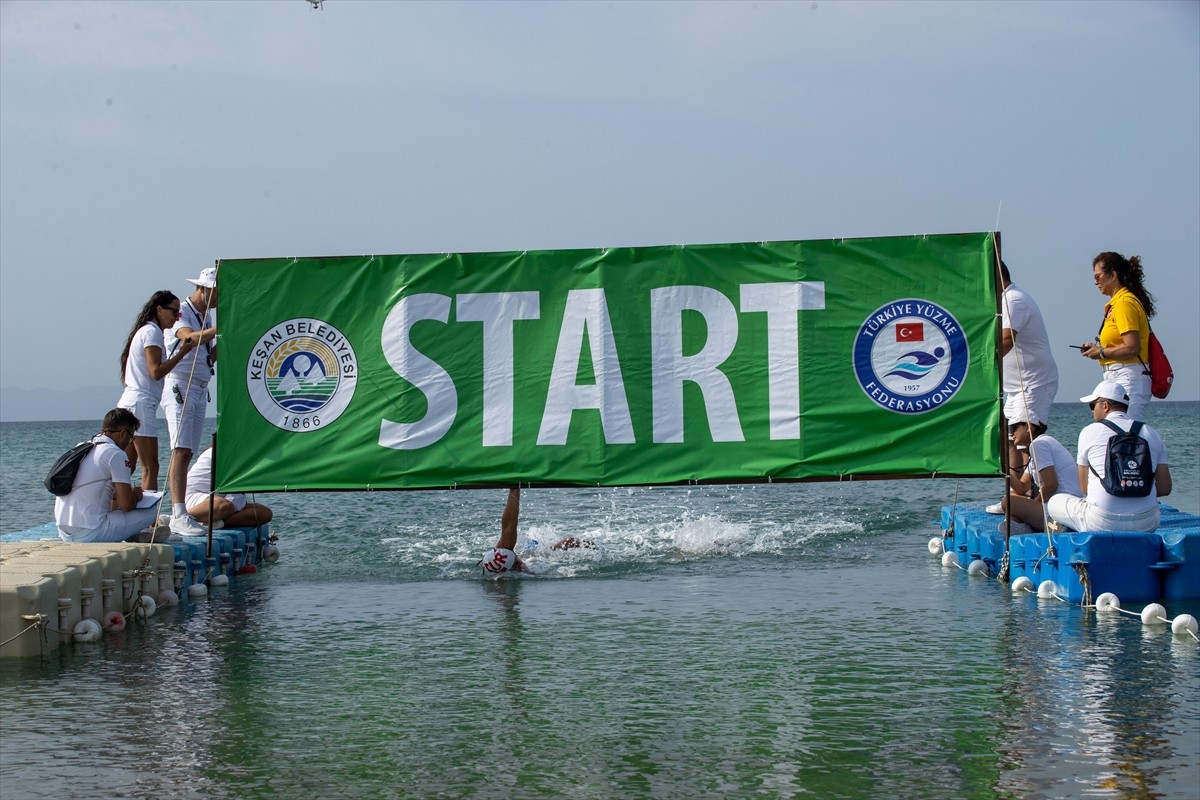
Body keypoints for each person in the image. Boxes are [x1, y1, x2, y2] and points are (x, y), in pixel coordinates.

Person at [1046, 380, 1171, 533]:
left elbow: (1084, 486)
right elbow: (1165, 488)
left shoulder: (1089, 431)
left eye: (1093, 405)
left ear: (1104, 406)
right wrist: (1133, 490)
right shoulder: (1152, 433)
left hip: (1102, 522)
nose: (1092, 411)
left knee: (1054, 502)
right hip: (1146, 522)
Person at [987, 261, 1058, 515]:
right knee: (1008, 441)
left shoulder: (1014, 300)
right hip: (1017, 387)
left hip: (1035, 382)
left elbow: (1007, 338)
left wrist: (981, 370)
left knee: (1026, 440)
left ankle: (1034, 498)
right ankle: (1017, 496)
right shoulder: (1004, 302)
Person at [116, 290, 195, 491]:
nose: (177, 317)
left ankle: (117, 508)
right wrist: (182, 353)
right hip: (141, 405)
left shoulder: (144, 331)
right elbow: (156, 372)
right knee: (151, 467)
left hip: (131, 403)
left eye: (179, 314)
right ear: (159, 310)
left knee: (127, 466)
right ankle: (149, 520)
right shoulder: (152, 332)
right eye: (174, 312)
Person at [162, 266, 218, 536]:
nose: (220, 300)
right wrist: (222, 328)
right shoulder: (183, 312)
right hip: (180, 385)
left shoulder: (206, 318)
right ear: (204, 289)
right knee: (180, 449)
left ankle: (181, 510)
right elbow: (189, 338)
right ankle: (178, 512)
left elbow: (208, 353)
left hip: (200, 385)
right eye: (217, 293)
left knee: (189, 449)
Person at [54, 408, 161, 543]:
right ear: (122, 433)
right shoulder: (115, 453)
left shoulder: (83, 447)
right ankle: (132, 535)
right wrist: (137, 495)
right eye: (131, 438)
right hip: (91, 533)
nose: (129, 443)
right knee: (151, 512)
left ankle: (129, 534)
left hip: (64, 533)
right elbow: (126, 505)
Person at [1078, 251, 1156, 420]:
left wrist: (1101, 352)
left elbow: (1132, 347)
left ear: (1113, 275)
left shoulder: (1124, 303)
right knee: (1120, 431)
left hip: (1129, 376)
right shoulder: (1118, 303)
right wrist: (1098, 349)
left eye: (1098, 276)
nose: (1095, 282)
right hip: (1121, 375)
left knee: (1126, 433)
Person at [480, 488, 592, 574]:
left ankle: (586, 544)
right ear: (517, 566)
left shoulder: (504, 548)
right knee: (564, 543)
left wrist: (514, 488)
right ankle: (590, 546)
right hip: (531, 553)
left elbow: (509, 524)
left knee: (558, 546)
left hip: (529, 548)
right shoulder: (523, 570)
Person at [999, 420, 1082, 531]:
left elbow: (1051, 485)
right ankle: (1026, 526)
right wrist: (1003, 467)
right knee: (1012, 495)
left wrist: (1032, 506)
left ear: (1028, 427)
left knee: (1008, 503)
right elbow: (1021, 487)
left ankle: (1051, 526)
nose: (1011, 433)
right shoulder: (1041, 444)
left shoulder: (1038, 445)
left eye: (1014, 428)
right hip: (1062, 505)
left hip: (1063, 507)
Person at [184, 447, 273, 530]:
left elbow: (236, 494)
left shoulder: (240, 453)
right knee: (223, 505)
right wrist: (234, 506)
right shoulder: (228, 453)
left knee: (264, 513)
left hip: (220, 497)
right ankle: (181, 519)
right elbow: (235, 496)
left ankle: (216, 522)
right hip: (196, 495)